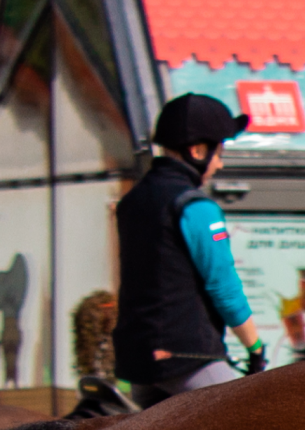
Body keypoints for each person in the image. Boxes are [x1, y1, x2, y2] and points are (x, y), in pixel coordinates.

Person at [114, 94, 267, 406]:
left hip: (139, 360)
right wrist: (255, 346)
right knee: (252, 421)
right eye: (218, 152)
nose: (220, 163)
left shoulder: (133, 201)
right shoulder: (195, 206)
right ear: (197, 150)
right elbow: (222, 286)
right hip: (186, 359)